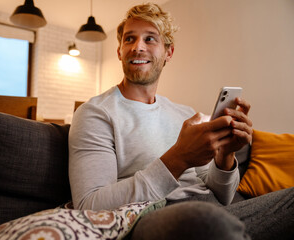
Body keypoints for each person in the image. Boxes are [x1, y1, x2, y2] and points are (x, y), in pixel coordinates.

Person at [69, 3, 294, 240]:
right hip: (153, 215)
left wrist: (225, 157)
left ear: (169, 52)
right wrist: (179, 157)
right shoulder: (95, 113)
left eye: (150, 39)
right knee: (209, 224)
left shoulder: (185, 114)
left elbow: (223, 195)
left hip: (216, 209)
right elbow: (89, 206)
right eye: (129, 39)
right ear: (119, 52)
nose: (138, 47)